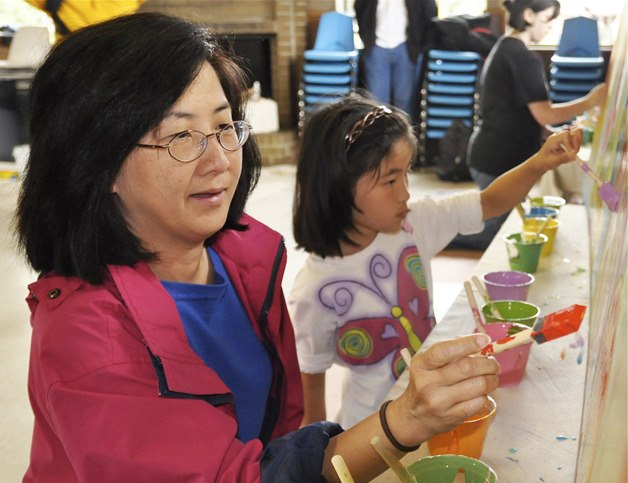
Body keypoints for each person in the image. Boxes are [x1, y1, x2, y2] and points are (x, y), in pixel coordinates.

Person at [16, 12, 502, 482]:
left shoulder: (243, 259)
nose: (220, 161)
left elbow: (280, 433)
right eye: (181, 135)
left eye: (225, 127)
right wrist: (403, 422)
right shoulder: (88, 342)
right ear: (98, 162)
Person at [290, 93, 582, 429]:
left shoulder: (413, 224)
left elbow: (489, 202)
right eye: (389, 180)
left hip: (436, 406)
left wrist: (539, 162)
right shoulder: (314, 290)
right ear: (337, 186)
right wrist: (318, 453)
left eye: (406, 175)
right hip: (372, 430)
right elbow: (311, 380)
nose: (405, 193)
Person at [454, 0, 607, 250]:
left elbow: (523, 113)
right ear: (528, 15)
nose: (549, 28)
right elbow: (545, 114)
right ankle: (436, 231)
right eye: (547, 20)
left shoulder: (506, 47)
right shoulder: (520, 55)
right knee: (496, 233)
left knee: (505, 225)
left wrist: (552, 134)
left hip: (491, 153)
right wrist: (590, 101)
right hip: (496, 159)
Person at [354, 0, 437, 119]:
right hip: (376, 47)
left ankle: (403, 135)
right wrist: (367, 39)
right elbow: (360, 8)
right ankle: (378, 135)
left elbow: (430, 11)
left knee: (405, 101)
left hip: (406, 47)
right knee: (376, 101)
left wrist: (418, 44)